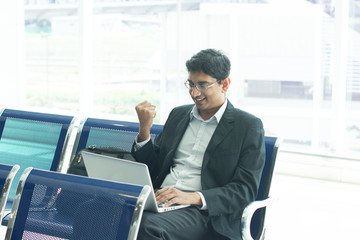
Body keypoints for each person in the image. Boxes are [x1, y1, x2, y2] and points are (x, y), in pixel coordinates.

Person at [132, 49, 265, 240]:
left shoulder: (247, 126)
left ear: (224, 84)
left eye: (203, 85)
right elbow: (154, 169)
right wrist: (144, 130)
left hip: (203, 213)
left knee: (143, 227)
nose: (194, 93)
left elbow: (245, 190)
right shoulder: (178, 115)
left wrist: (192, 197)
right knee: (93, 209)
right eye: (191, 84)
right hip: (160, 201)